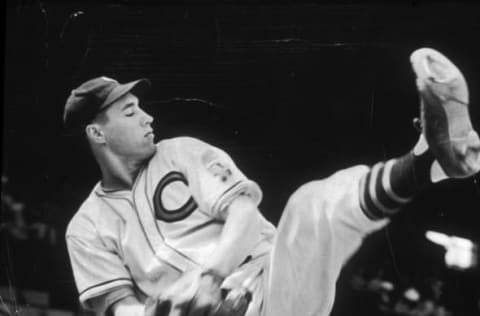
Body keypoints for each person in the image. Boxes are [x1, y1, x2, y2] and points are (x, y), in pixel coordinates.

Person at [64, 48, 480, 316]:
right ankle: (431, 162)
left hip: (269, 283)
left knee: (308, 209)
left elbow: (243, 213)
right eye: (131, 111)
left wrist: (210, 278)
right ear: (97, 134)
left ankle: (426, 160)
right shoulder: (85, 226)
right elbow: (120, 308)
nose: (148, 116)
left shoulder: (179, 152)